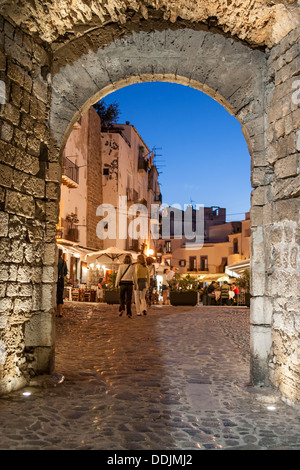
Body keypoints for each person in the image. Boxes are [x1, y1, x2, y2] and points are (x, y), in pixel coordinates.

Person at [56, 249, 68, 318]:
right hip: (61, 280)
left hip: (55, 280)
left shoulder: (55, 261)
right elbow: (65, 272)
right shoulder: (63, 262)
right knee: (60, 296)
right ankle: (60, 312)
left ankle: (55, 312)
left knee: (55, 295)